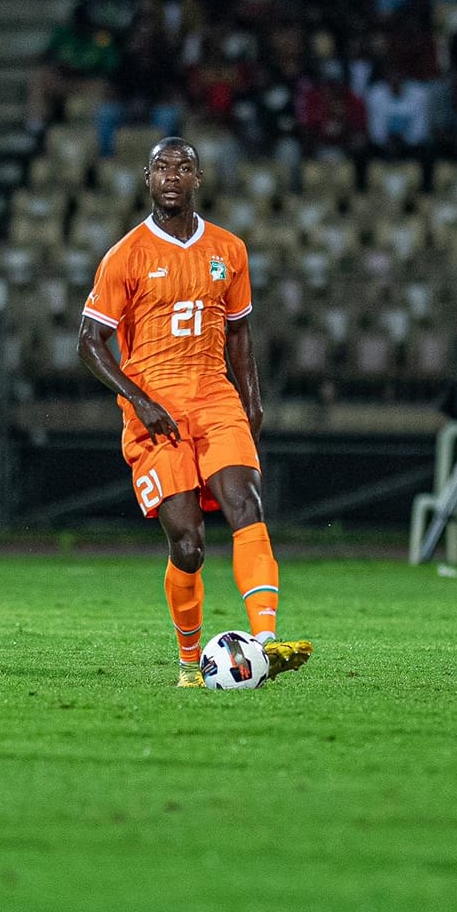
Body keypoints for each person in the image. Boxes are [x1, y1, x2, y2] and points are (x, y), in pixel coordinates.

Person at [76, 137, 312, 688]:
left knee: (246, 503)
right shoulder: (126, 255)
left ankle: (267, 642)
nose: (172, 176)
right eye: (162, 167)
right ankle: (189, 664)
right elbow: (89, 341)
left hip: (214, 396)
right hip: (154, 408)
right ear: (147, 177)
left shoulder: (229, 249)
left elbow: (238, 328)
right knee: (188, 542)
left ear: (199, 179)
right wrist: (138, 400)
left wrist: (251, 399)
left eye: (183, 167)